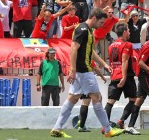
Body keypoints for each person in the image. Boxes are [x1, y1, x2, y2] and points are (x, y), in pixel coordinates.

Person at [50, 8, 124, 138]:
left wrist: (104, 64)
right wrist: (72, 69)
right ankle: (108, 130)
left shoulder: (88, 30)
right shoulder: (82, 29)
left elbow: (91, 52)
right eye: (101, 22)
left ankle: (56, 128)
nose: (101, 25)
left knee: (72, 98)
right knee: (97, 98)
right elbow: (73, 48)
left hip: (81, 71)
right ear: (94, 18)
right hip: (83, 70)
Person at [105, 22, 137, 131]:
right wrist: (124, 77)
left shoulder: (111, 45)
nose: (129, 32)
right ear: (124, 32)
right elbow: (124, 60)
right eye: (128, 30)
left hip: (114, 75)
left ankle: (105, 126)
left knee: (110, 102)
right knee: (133, 99)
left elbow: (115, 60)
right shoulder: (127, 44)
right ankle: (122, 120)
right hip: (126, 75)